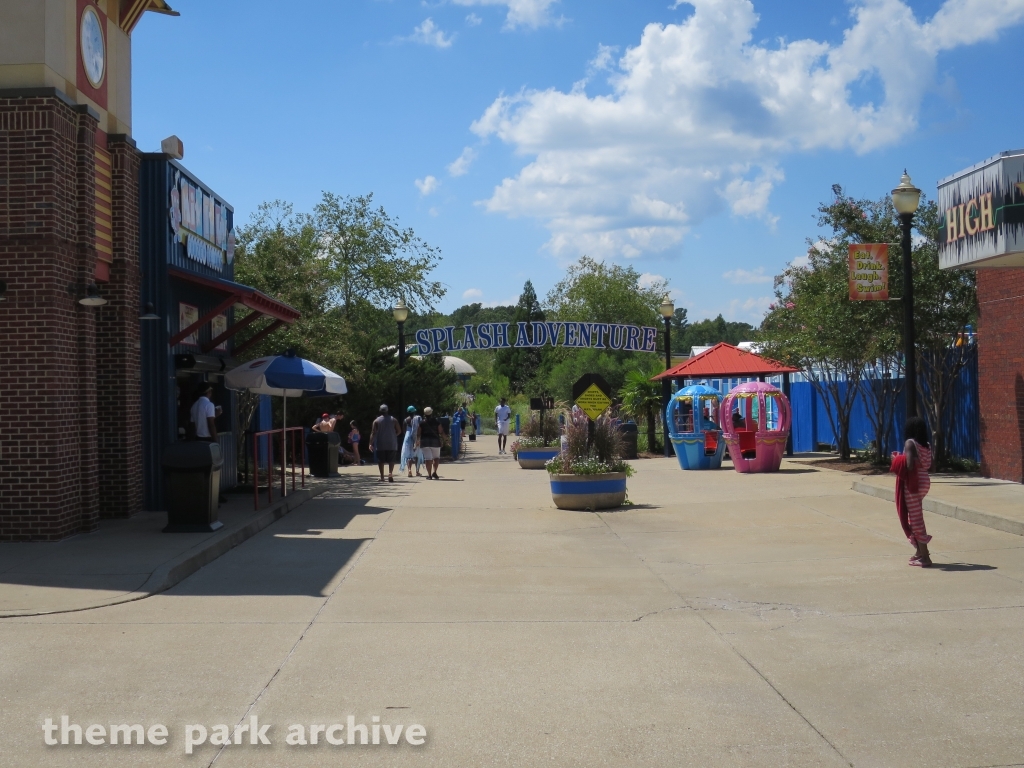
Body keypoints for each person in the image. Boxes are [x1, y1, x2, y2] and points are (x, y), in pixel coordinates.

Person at [891, 416, 934, 567]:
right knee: (914, 516)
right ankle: (919, 552)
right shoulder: (926, 445)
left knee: (916, 519)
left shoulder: (910, 443)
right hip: (924, 481)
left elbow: (908, 465)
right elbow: (930, 465)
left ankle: (925, 557)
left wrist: (896, 459)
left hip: (913, 483)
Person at [369, 405, 403, 482]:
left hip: (381, 443)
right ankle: (390, 473)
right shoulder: (393, 420)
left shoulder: (376, 421)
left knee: (381, 460)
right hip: (392, 443)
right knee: (391, 459)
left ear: (380, 411)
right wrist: (394, 435)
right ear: (387, 411)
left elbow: (373, 433)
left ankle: (382, 477)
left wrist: (370, 443)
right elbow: (399, 431)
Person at [419, 406, 445, 479]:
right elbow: (441, 432)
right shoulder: (436, 422)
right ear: (431, 413)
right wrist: (446, 440)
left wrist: (417, 441)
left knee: (428, 459)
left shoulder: (422, 423)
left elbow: (418, 433)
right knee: (436, 458)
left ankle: (429, 475)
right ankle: (435, 472)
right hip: (435, 442)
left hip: (425, 442)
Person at [400, 406, 423, 478]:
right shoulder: (418, 418)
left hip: (407, 436)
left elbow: (403, 430)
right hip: (416, 436)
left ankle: (409, 469)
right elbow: (420, 427)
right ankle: (417, 471)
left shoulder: (405, 420)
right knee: (417, 454)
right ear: (414, 412)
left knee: (408, 455)